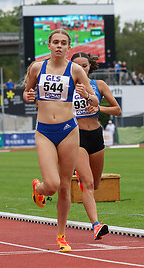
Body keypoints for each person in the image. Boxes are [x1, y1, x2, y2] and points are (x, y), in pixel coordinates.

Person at [23, 29, 99, 252]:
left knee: (65, 186)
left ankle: (61, 236)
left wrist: (85, 94)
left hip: (68, 130)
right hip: (44, 131)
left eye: (63, 43)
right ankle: (39, 188)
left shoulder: (75, 70)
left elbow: (94, 98)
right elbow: (28, 93)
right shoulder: (37, 67)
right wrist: (27, 95)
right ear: (48, 45)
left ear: (68, 46)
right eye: (55, 42)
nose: (59, 46)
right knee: (53, 185)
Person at [70, 52, 121, 241]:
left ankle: (82, 177)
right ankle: (96, 225)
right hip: (76, 136)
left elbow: (117, 110)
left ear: (89, 67)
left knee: (95, 184)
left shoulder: (98, 85)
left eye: (84, 65)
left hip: (96, 136)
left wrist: (99, 108)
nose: (81, 69)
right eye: (77, 65)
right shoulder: (66, 87)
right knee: (89, 183)